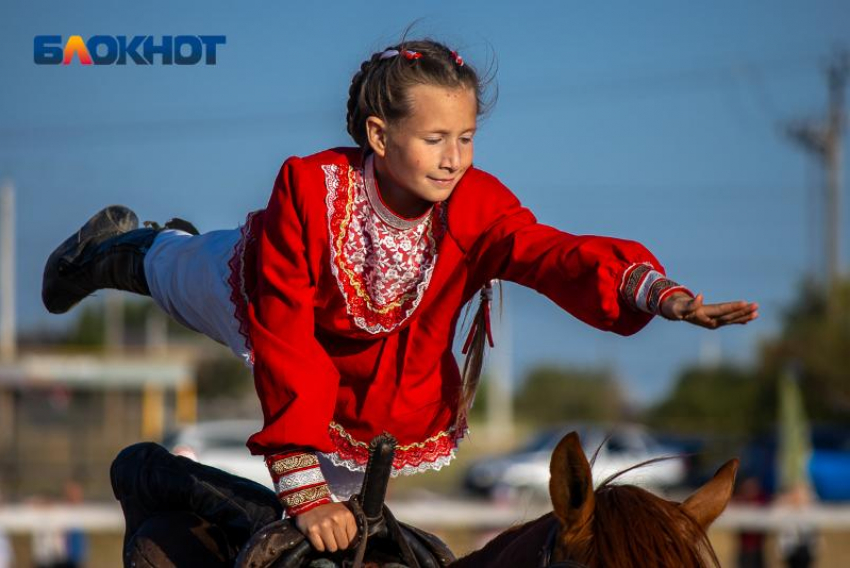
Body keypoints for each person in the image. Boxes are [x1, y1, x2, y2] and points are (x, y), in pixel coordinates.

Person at [42, 38, 759, 558]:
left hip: (382, 379)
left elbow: (550, 253)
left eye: (468, 138)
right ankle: (117, 248)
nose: (455, 158)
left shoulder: (476, 203)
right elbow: (286, 335)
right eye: (436, 138)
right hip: (261, 296)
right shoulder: (309, 188)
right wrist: (301, 487)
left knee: (342, 534)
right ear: (378, 137)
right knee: (174, 270)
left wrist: (658, 293)